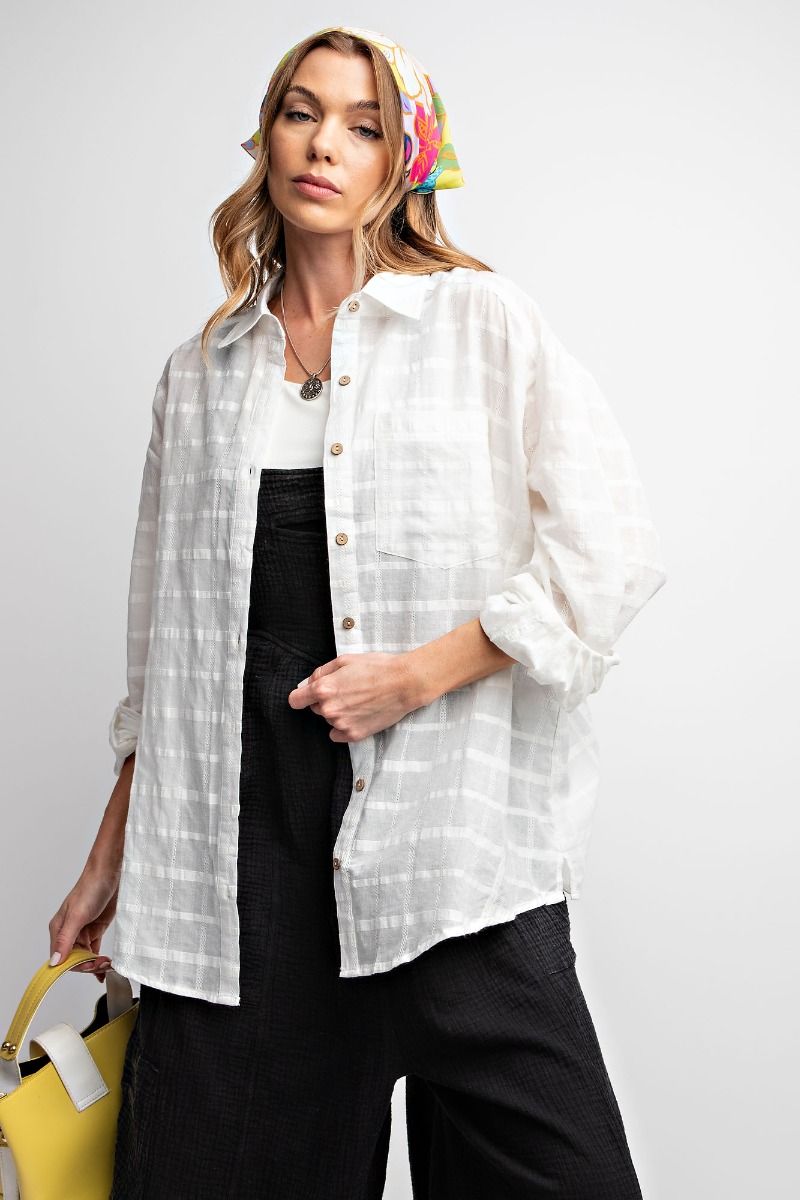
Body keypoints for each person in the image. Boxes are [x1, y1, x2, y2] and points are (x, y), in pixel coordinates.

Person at [47, 25, 666, 1199]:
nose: (322, 144)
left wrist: (414, 675)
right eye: (299, 111)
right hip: (238, 876)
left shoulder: (480, 324)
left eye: (362, 124)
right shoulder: (198, 374)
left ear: (403, 161)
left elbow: (609, 551)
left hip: (445, 858)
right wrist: (108, 855)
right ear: (266, 138)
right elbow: (166, 654)